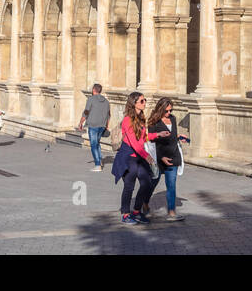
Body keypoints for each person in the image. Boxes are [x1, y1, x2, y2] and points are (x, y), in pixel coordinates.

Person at [111, 92, 161, 225]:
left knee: (147, 183)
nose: (144, 103)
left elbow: (143, 138)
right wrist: (147, 156)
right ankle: (125, 214)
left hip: (139, 157)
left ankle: (136, 212)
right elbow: (133, 142)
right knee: (129, 186)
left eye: (144, 100)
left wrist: (157, 134)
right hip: (128, 157)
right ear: (134, 103)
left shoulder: (141, 118)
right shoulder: (127, 120)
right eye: (142, 101)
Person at [145, 97, 189, 221]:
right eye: (166, 111)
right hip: (159, 158)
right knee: (152, 184)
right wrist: (160, 157)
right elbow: (152, 144)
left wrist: (179, 137)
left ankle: (171, 212)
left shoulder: (173, 119)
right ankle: (145, 204)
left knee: (171, 186)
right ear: (160, 109)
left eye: (171, 110)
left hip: (173, 156)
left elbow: (172, 136)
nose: (169, 113)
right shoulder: (153, 122)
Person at [78, 83, 110, 172]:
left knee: (93, 145)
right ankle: (100, 161)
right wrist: (106, 126)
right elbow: (108, 115)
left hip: (93, 125)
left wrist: (81, 122)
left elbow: (86, 112)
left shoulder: (91, 99)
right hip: (102, 125)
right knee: (97, 143)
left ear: (93, 90)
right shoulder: (106, 101)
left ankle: (97, 165)